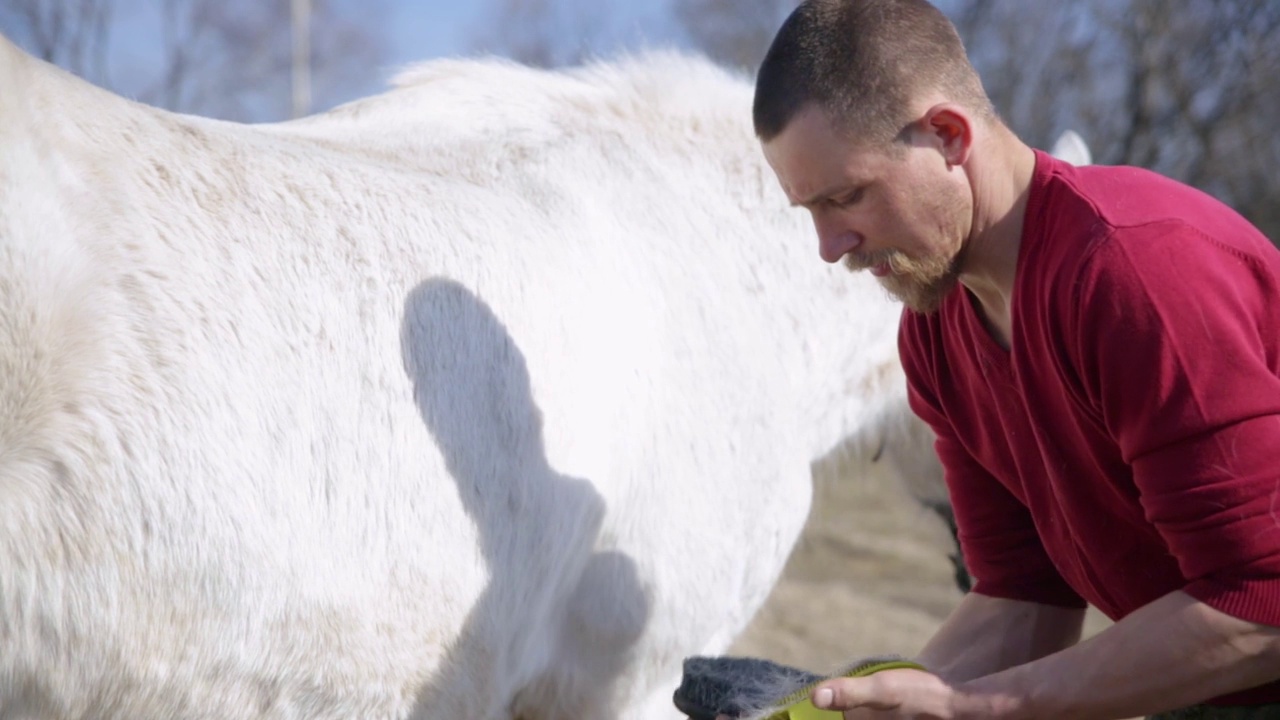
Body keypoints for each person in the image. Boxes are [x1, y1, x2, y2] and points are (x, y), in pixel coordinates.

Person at [750, 1, 1280, 718]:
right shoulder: (934, 334)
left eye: (846, 196)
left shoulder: (1132, 270)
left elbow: (1259, 603)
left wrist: (983, 708)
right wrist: (841, 707)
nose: (829, 244)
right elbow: (1024, 592)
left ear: (947, 135)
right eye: (808, 209)